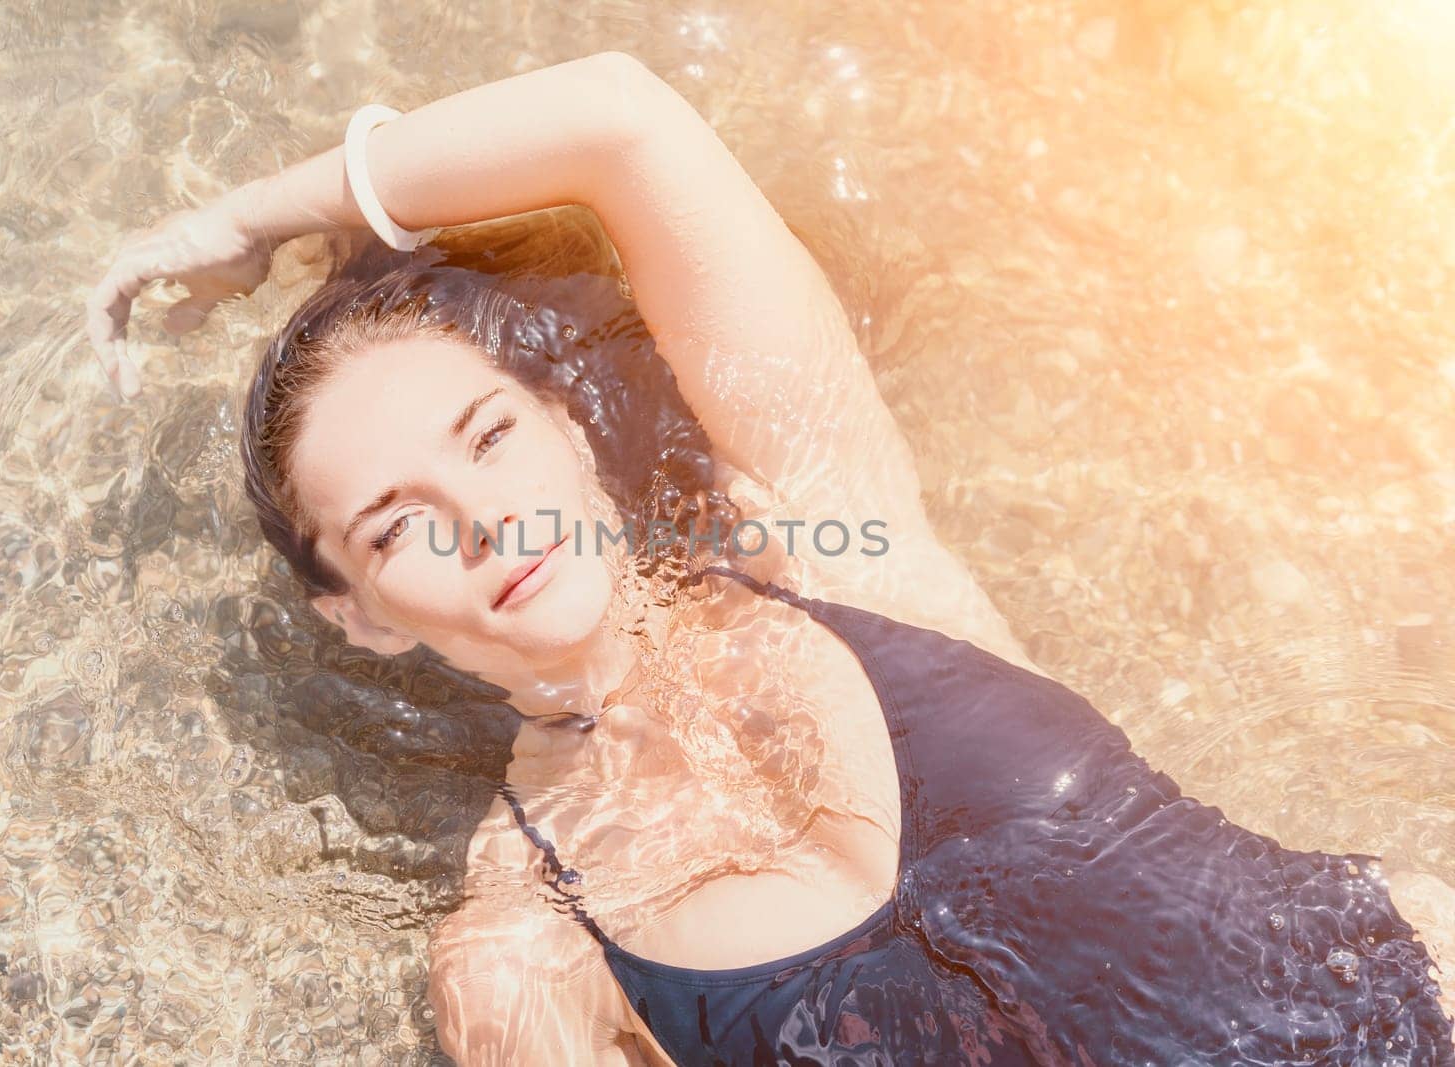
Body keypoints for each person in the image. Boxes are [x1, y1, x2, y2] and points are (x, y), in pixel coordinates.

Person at [88, 51, 1455, 1066]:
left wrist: (255, 218)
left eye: (490, 437)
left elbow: (625, 123)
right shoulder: (522, 954)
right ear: (360, 616)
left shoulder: (824, 537)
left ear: (569, 425)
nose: (486, 523)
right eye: (395, 524)